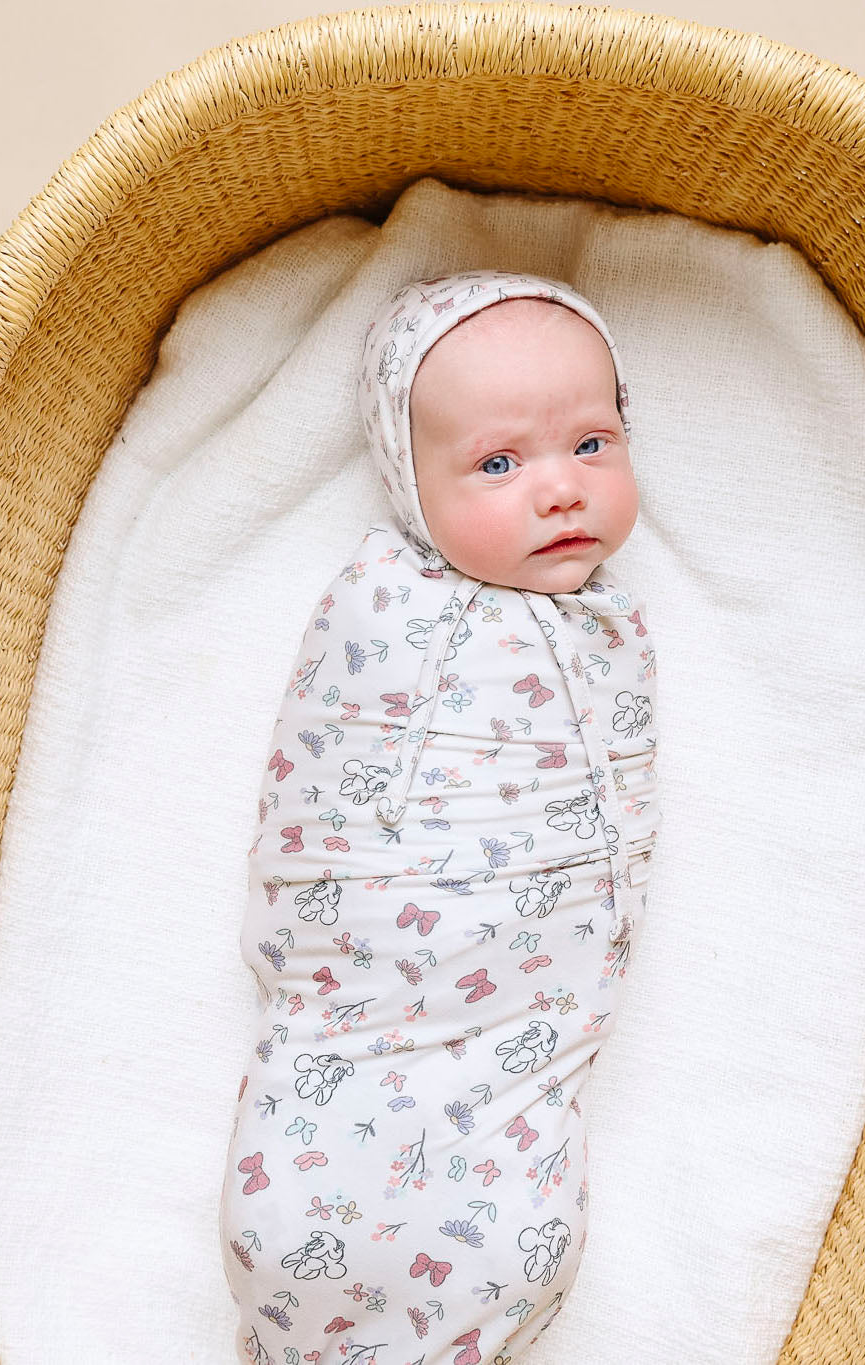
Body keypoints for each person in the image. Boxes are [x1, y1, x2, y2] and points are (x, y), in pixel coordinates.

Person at [218, 268, 660, 1365]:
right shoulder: (382, 600)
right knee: (294, 1209)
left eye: (591, 444)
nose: (560, 490)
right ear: (409, 485)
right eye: (499, 464)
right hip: (365, 997)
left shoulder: (612, 627)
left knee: (514, 1231)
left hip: (515, 1026)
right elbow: (316, 798)